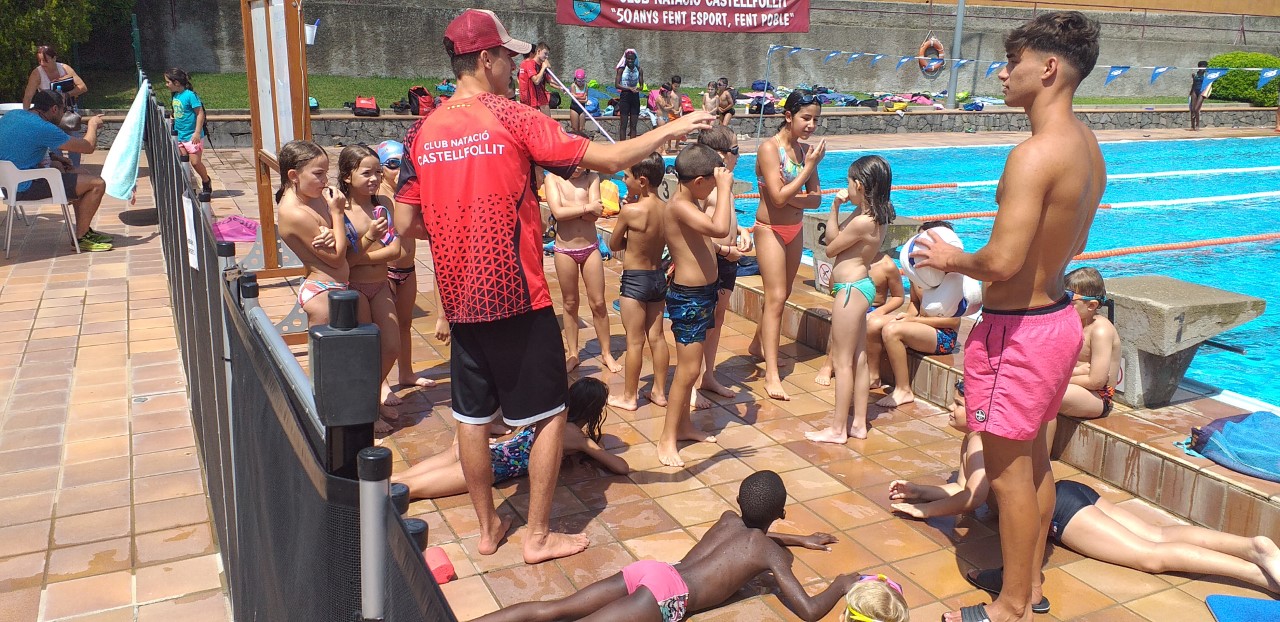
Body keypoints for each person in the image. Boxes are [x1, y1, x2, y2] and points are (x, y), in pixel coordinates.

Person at [395, 8, 713, 564]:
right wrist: (672, 128)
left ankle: (488, 530)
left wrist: (457, 227)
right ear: (486, 59)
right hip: (517, 295)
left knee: (472, 418)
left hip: (461, 299)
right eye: (508, 57)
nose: (514, 67)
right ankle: (537, 536)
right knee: (549, 416)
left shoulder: (422, 131)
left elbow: (405, 223)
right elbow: (609, 158)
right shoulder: (512, 117)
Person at [911, 11, 1107, 622]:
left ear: (1047, 68)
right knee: (1034, 464)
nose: (1001, 73)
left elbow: (999, 261)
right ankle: (1030, 581)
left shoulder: (1033, 154)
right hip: (1056, 321)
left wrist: (948, 257)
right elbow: (1066, 246)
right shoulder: (1088, 147)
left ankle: (1012, 607)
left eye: (1011, 62)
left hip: (1017, 333)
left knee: (1007, 477)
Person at [892, 386, 1280, 598]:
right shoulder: (979, 439)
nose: (950, 408)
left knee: (1149, 556)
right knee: (1157, 533)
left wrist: (927, 513)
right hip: (1067, 492)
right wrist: (920, 491)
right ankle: (1253, 547)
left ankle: (1257, 575)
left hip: (1063, 514)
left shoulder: (980, 441)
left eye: (958, 403)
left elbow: (972, 498)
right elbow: (964, 485)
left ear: (980, 411)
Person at [473, 470, 883, 622]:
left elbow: (750, 535)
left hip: (655, 571)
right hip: (668, 598)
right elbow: (809, 612)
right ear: (781, 513)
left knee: (555, 609)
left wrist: (800, 539)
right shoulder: (768, 552)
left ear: (738, 501)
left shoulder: (728, 520)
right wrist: (840, 585)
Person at [392, 378, 628, 499]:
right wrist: (591, 447)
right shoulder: (577, 437)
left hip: (485, 449)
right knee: (409, 491)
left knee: (399, 479)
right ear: (593, 411)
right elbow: (621, 467)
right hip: (490, 467)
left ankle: (372, 489)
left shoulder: (546, 415)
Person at [806, 156, 895, 443]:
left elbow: (830, 249)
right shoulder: (871, 216)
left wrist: (836, 208)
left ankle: (837, 429)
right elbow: (833, 237)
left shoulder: (862, 222)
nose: (846, 187)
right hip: (859, 288)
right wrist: (835, 206)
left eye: (848, 181)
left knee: (842, 362)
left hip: (850, 291)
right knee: (859, 358)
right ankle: (858, 424)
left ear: (859, 184)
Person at [658, 145, 734, 467]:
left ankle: (684, 427)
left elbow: (710, 238)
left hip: (702, 294)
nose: (716, 189)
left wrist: (727, 249)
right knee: (688, 371)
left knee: (692, 369)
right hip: (689, 298)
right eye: (713, 184)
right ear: (699, 181)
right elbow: (719, 227)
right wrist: (726, 188)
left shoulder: (690, 202)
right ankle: (666, 439)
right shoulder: (679, 205)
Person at [749, 90, 826, 401]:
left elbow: (816, 198)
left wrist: (789, 195)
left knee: (781, 295)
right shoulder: (770, 149)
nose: (811, 125)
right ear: (788, 116)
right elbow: (778, 199)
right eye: (806, 118)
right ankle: (771, 373)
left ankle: (758, 344)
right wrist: (806, 171)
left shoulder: (806, 151)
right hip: (769, 229)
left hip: (794, 229)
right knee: (777, 296)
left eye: (816, 120)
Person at [336, 145, 405, 429]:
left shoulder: (383, 204)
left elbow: (395, 250)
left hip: (380, 284)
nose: (374, 178)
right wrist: (369, 239)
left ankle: (371, 396)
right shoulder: (340, 211)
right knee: (366, 350)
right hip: (356, 287)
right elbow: (344, 262)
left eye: (377, 172)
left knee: (391, 346)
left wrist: (361, 257)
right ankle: (368, 410)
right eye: (366, 173)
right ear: (347, 176)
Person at [0, 89, 110, 252]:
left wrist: (54, 157)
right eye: (64, 109)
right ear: (54, 109)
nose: (64, 114)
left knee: (83, 174)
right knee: (97, 184)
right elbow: (87, 147)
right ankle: (81, 238)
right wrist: (92, 125)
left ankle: (84, 230)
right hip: (26, 187)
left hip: (8, 184)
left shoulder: (13, 116)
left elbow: (21, 145)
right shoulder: (43, 128)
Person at [877, 222, 964, 409]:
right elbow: (915, 304)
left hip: (943, 336)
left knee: (892, 331)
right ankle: (873, 375)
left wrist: (911, 322)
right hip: (921, 325)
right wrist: (905, 319)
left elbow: (954, 320)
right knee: (873, 322)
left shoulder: (953, 278)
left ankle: (903, 389)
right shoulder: (918, 273)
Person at [608, 152, 671, 411]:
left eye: (627, 176)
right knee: (657, 337)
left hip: (635, 280)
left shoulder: (630, 211)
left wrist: (630, 238)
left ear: (641, 181)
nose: (624, 180)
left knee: (634, 341)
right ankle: (659, 392)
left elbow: (614, 245)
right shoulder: (667, 210)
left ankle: (629, 397)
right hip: (658, 278)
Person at [379, 140, 443, 390]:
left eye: (403, 164)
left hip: (407, 269)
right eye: (392, 164)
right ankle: (382, 383)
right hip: (384, 271)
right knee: (385, 329)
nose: (398, 170)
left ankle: (406, 372)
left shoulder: (409, 195)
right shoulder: (379, 197)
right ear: (381, 169)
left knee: (405, 324)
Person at [695, 126, 752, 401]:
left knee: (717, 319)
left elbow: (725, 218)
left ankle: (707, 375)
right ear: (720, 155)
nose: (739, 156)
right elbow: (694, 232)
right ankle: (692, 382)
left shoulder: (725, 184)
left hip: (728, 259)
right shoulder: (705, 188)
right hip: (711, 259)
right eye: (736, 150)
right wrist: (724, 250)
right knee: (700, 321)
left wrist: (741, 231)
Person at [546, 165, 621, 373]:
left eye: (582, 163)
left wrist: (574, 210)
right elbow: (558, 213)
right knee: (570, 303)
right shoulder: (553, 179)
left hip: (590, 248)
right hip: (565, 250)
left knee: (598, 302)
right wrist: (586, 208)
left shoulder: (592, 177)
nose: (578, 167)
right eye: (575, 163)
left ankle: (606, 352)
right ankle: (573, 353)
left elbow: (595, 215)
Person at [276, 140, 353, 327]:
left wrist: (334, 231)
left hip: (337, 287)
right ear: (294, 175)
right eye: (318, 174)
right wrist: (338, 213)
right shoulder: (295, 214)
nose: (325, 180)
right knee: (326, 346)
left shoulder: (313, 196)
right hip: (322, 292)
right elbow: (336, 258)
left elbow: (350, 235)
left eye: (326, 173)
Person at [814, 254, 906, 387]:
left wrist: (880, 311)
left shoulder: (887, 266)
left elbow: (899, 297)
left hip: (874, 309)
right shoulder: (848, 259)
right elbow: (832, 289)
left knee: (852, 320)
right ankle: (830, 364)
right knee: (846, 316)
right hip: (851, 304)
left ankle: (829, 365)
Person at [1058, 267, 1121, 419]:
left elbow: (1096, 381)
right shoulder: (1068, 323)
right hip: (1071, 383)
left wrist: (1060, 380)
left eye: (1069, 298)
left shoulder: (1100, 331)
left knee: (1046, 393)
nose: (1062, 303)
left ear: (1091, 305)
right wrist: (1076, 372)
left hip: (1098, 396)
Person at [23, 45, 88, 167]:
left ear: (54, 58)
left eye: (45, 60)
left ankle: (75, 168)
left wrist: (66, 94)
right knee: (54, 143)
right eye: (39, 61)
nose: (42, 64)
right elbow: (28, 96)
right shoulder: (37, 73)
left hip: (68, 110)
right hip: (48, 113)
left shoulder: (65, 68)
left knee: (74, 140)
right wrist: (26, 117)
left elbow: (83, 87)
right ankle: (60, 169)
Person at [164, 68, 213, 197]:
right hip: (180, 135)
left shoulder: (190, 95)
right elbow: (179, 111)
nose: (166, 85)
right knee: (182, 162)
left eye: (168, 82)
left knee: (195, 162)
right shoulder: (175, 95)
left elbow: (200, 113)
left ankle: (206, 180)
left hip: (192, 136)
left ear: (176, 82)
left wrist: (197, 132)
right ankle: (188, 187)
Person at [615, 49, 644, 140]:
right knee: (623, 124)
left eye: (632, 59)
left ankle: (632, 145)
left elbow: (641, 86)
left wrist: (638, 88)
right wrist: (629, 88)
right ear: (625, 59)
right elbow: (617, 85)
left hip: (635, 97)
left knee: (633, 125)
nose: (630, 61)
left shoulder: (639, 70)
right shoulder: (621, 70)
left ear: (635, 59)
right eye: (628, 59)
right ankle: (623, 145)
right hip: (625, 97)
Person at [518, 42, 551, 113]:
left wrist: (561, 87)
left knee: (547, 118)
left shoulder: (541, 64)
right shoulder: (529, 64)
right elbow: (536, 81)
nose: (547, 57)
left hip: (541, 95)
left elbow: (550, 80)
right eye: (545, 54)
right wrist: (543, 68)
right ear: (538, 51)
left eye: (548, 54)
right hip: (531, 98)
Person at [568, 68, 590, 135]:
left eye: (583, 81)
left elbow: (586, 99)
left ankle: (580, 140)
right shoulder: (573, 86)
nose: (581, 83)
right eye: (579, 81)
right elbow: (575, 100)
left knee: (581, 129)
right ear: (575, 79)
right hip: (574, 108)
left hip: (582, 108)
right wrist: (582, 98)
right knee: (575, 129)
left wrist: (577, 97)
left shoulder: (586, 86)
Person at [1189, 60, 1208, 132]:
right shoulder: (1195, 74)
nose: (1203, 68)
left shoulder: (1206, 75)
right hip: (1194, 91)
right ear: (1199, 67)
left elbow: (1209, 84)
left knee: (1196, 109)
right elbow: (1193, 84)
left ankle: (1197, 125)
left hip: (1201, 92)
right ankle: (1192, 126)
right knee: (1192, 109)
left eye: (1204, 67)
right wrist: (1191, 92)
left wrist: (1206, 93)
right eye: (1202, 66)